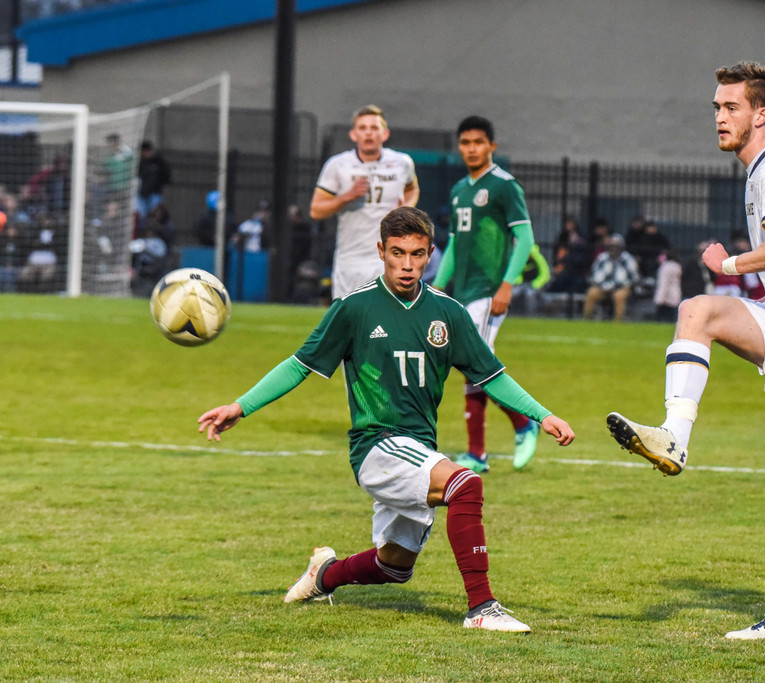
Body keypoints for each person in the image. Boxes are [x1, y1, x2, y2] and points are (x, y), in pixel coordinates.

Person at [197, 206, 574, 632]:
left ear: (431, 253)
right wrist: (239, 406)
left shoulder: (448, 314)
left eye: (417, 254)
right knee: (466, 485)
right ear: (381, 251)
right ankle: (482, 609)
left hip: (417, 448)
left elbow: (492, 377)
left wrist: (542, 415)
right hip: (376, 446)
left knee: (394, 566)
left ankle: (323, 575)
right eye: (398, 253)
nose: (408, 265)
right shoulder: (355, 309)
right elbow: (299, 365)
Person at [606, 61, 765, 640]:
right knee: (698, 311)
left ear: (760, 113)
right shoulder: (761, 169)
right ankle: (675, 438)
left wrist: (730, 264)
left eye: (732, 108)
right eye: (717, 107)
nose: (720, 117)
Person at [431, 115, 540, 474]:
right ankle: (479, 452)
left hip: (489, 291)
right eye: (465, 143)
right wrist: (436, 287)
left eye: (478, 142)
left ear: (492, 146)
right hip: (463, 292)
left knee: (475, 365)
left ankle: (523, 423)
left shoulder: (505, 186)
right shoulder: (460, 189)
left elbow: (524, 239)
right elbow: (455, 248)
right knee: (472, 367)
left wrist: (507, 284)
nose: (472, 148)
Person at [310, 105, 419, 299]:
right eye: (362, 128)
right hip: (350, 260)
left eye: (374, 128)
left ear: (385, 134)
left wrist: (407, 208)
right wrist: (347, 196)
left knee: (387, 322)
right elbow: (316, 211)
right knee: (349, 324)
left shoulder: (402, 162)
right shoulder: (338, 165)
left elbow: (412, 188)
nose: (369, 133)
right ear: (353, 134)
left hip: (388, 258)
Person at [582, 233, 640, 321]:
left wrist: (620, 285)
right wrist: (601, 284)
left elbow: (634, 277)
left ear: (621, 246)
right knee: (591, 293)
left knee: (619, 296)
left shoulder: (627, 259)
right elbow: (595, 273)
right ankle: (586, 319)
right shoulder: (602, 258)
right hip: (603, 287)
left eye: (616, 246)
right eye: (612, 246)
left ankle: (618, 322)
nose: (614, 248)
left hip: (621, 287)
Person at [136, 140, 172, 218]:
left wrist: (158, 186)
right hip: (142, 194)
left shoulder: (159, 162)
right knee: (141, 215)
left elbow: (166, 176)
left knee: (154, 213)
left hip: (155, 193)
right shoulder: (141, 163)